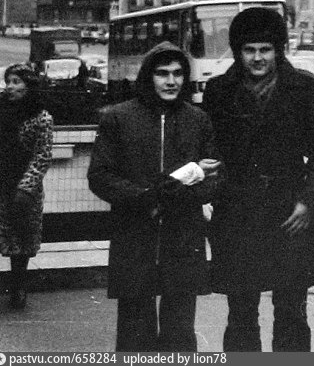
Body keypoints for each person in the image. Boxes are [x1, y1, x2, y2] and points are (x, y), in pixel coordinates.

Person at [203, 7, 314, 352]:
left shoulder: (302, 87)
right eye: (249, 50)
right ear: (238, 51)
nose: (258, 58)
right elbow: (209, 149)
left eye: (266, 49)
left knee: (291, 313)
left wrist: (308, 202)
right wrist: (211, 191)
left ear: (278, 50)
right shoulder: (219, 90)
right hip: (238, 215)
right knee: (241, 314)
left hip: (289, 214)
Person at [88, 43, 219, 351]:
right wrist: (145, 198)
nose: (171, 81)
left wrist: (172, 196)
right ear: (148, 76)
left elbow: (214, 178)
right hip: (135, 236)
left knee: (179, 332)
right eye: (162, 73)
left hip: (182, 238)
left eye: (178, 73)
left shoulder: (198, 120)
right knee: (135, 332)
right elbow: (100, 176)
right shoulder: (118, 118)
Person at [0, 63, 53, 310]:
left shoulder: (42, 118)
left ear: (29, 86)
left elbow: (42, 156)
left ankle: (18, 288)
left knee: (21, 242)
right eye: (8, 81)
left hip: (23, 191)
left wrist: (25, 188)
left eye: (16, 81)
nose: (10, 86)